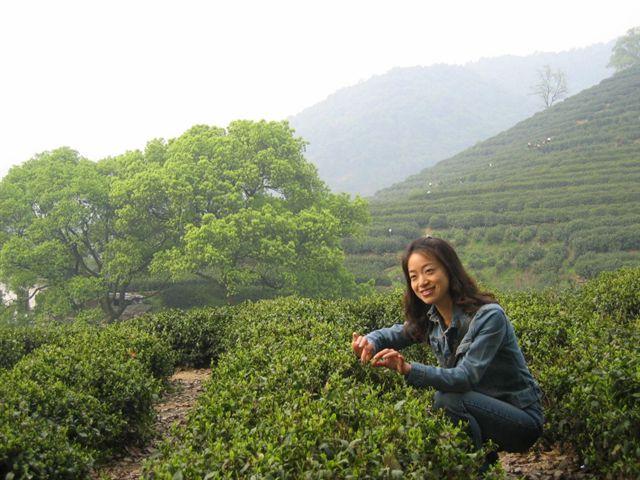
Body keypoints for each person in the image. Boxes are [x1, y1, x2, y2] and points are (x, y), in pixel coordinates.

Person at [351, 236, 543, 473]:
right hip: (481, 410)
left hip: (521, 420)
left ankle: (479, 473)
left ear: (449, 270)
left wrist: (409, 369)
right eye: (413, 276)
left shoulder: (489, 317)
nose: (422, 282)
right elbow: (392, 334)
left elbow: (464, 377)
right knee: (447, 402)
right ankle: (483, 468)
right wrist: (369, 342)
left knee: (449, 400)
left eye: (429, 271)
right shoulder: (431, 319)